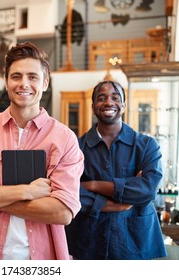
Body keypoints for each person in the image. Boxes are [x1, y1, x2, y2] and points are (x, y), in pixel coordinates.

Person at [0, 42, 84, 260]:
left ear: (45, 83)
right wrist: (27, 191)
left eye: (33, 77)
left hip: (43, 257)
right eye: (16, 76)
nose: (24, 84)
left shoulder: (64, 139)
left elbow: (62, 212)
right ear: (6, 81)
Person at [65, 80, 167, 260]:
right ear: (93, 106)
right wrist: (116, 201)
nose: (109, 102)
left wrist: (93, 185)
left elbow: (147, 190)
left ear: (124, 105)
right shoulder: (75, 147)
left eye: (115, 97)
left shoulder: (147, 146)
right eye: (101, 98)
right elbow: (68, 192)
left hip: (135, 241)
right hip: (87, 241)